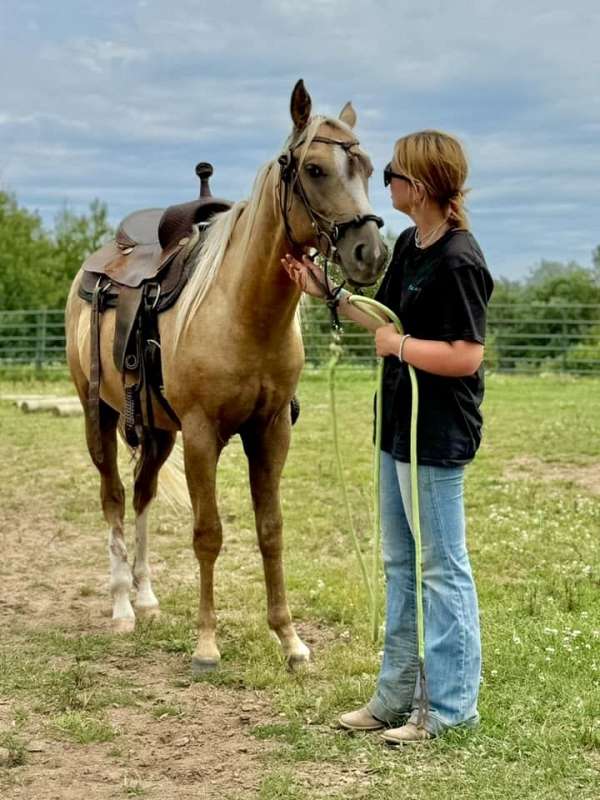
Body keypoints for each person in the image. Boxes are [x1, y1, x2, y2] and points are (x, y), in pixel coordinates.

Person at [282, 129, 494, 744]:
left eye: (393, 175)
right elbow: (382, 314)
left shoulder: (460, 258)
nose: (385, 185)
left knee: (443, 569)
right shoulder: (410, 244)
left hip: (438, 433)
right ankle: (395, 698)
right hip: (397, 428)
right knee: (401, 562)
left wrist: (399, 347)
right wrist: (328, 293)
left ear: (419, 186)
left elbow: (466, 355)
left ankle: (451, 709)